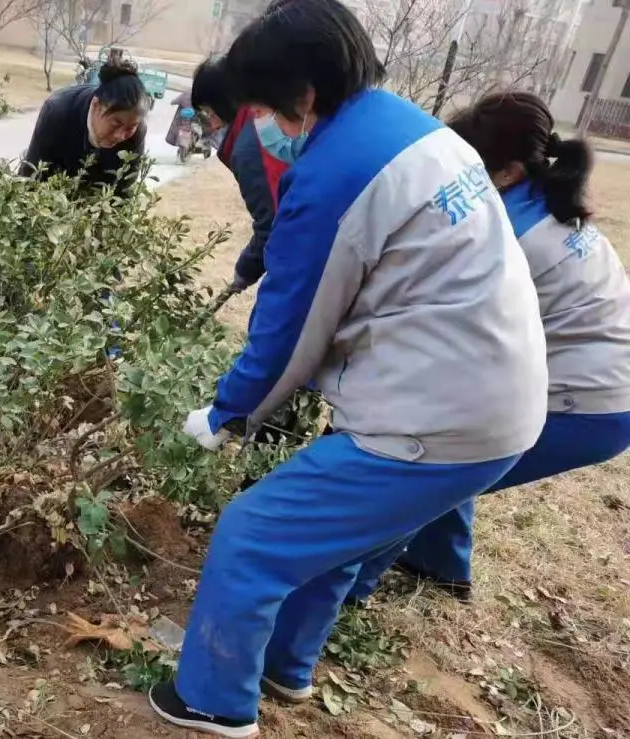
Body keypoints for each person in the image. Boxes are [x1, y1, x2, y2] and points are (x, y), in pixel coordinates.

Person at [145, 2, 548, 736]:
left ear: (302, 95)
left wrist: (226, 412)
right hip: (499, 405)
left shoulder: (334, 174)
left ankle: (212, 699)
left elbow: (290, 331)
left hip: (437, 415)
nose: (261, 122)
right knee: (344, 537)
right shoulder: (414, 128)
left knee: (251, 534)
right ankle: (286, 666)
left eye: (264, 104)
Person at [348, 91, 630, 604]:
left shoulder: (510, 237)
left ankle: (349, 589)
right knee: (459, 441)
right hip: (608, 395)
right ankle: (440, 564)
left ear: (507, 172)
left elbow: (440, 339)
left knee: (425, 467)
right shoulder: (546, 205)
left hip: (583, 406)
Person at [191, 55, 289, 293]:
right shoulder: (260, 117)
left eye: (206, 111)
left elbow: (272, 223)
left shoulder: (248, 149)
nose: (207, 120)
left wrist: (245, 269)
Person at [19, 59, 148, 196]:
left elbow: (123, 191)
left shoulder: (138, 131)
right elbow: (31, 176)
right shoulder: (58, 112)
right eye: (116, 124)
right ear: (96, 105)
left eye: (130, 128)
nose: (120, 136)